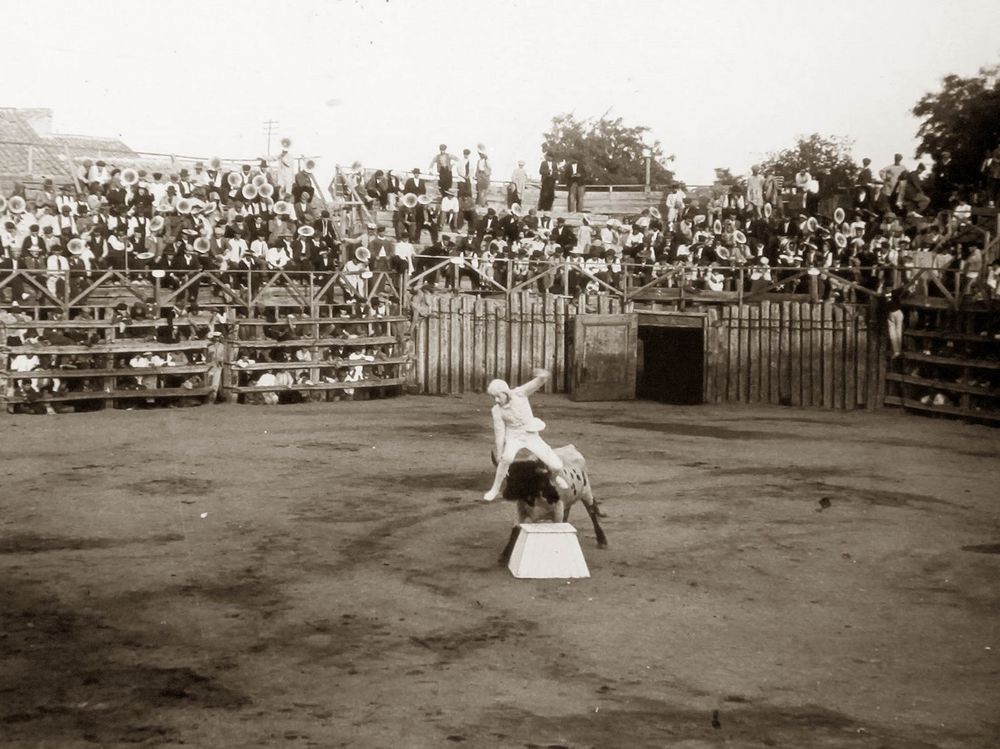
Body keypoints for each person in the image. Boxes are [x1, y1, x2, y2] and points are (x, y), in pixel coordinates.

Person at [482, 368, 570, 502]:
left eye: (498, 396)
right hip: (514, 437)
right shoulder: (496, 411)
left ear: (505, 392)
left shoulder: (519, 393)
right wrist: (500, 453)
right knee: (507, 458)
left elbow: (536, 383)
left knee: (557, 466)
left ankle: (554, 478)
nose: (496, 400)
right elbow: (499, 432)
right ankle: (495, 489)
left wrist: (542, 376)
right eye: (493, 397)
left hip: (531, 435)